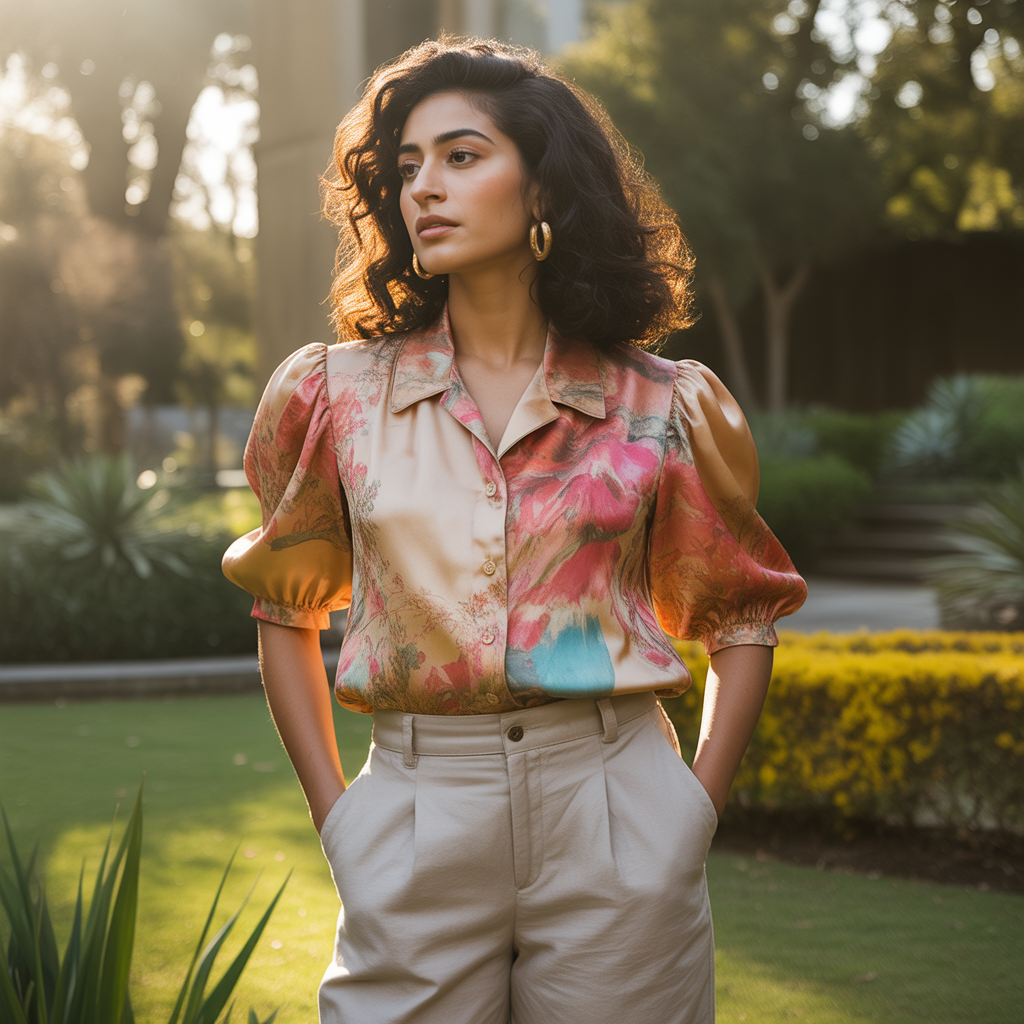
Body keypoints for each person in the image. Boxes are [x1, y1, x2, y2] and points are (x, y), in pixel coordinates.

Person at [223, 37, 806, 1024]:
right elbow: (285, 604)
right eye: (407, 167)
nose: (424, 190)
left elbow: (741, 611)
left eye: (460, 156)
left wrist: (688, 814)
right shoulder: (336, 397)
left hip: (617, 807)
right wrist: (341, 819)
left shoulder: (660, 405)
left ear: (541, 190)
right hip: (414, 811)